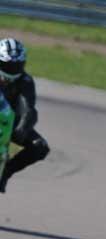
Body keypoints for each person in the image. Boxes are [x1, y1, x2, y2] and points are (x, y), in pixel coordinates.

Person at [0, 38, 50, 194]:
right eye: (8, 65)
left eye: (16, 66)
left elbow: (29, 109)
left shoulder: (26, 81)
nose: (12, 69)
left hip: (9, 121)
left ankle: (5, 173)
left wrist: (23, 126)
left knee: (39, 147)